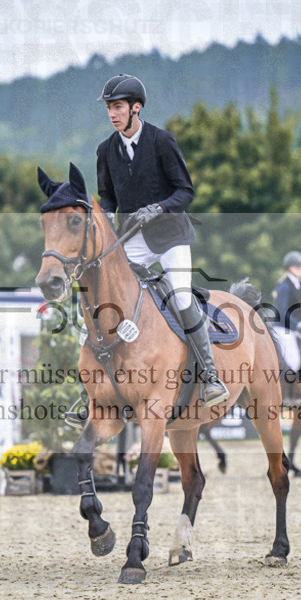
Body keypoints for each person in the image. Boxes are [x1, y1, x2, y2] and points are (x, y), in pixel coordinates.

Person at [94, 74, 229, 408]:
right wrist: (110, 220)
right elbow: (108, 198)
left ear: (136, 108)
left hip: (169, 237)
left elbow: (185, 190)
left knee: (181, 298)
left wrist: (156, 208)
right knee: (107, 300)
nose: (113, 113)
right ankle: (95, 389)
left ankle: (211, 376)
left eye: (119, 107)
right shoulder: (105, 151)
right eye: (110, 107)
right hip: (132, 238)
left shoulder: (162, 141)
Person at [273, 250, 301, 374]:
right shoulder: (284, 286)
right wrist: (298, 325)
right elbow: (282, 311)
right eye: (297, 266)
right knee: (295, 362)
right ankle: (290, 389)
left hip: (298, 328)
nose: (300, 269)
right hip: (284, 328)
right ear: (290, 267)